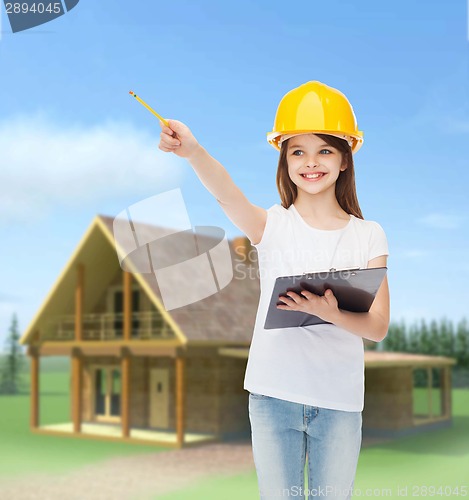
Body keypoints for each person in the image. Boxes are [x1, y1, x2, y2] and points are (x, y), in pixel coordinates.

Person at [158, 81, 390, 500]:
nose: (310, 162)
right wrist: (192, 151)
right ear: (284, 160)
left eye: (324, 150)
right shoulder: (272, 225)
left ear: (344, 158)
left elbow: (376, 327)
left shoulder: (369, 235)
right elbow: (225, 194)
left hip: (339, 402)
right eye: (297, 151)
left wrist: (330, 312)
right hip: (273, 394)